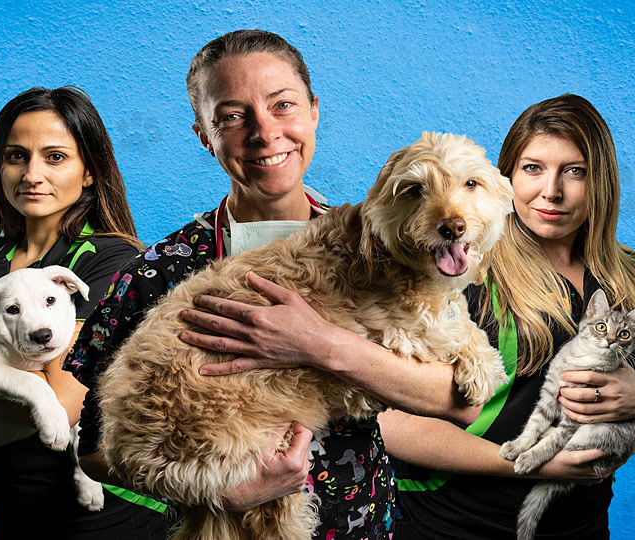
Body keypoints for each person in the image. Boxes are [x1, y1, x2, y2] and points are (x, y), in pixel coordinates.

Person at [65, 30, 476, 539]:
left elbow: (463, 399)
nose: (264, 132)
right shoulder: (158, 272)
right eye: (232, 117)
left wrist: (320, 345)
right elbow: (95, 451)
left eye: (283, 105)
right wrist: (219, 489)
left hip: (364, 526)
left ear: (313, 111)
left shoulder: (389, 246)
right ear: (204, 134)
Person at [379, 94, 635, 539]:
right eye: (533, 168)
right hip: (450, 526)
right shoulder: (461, 267)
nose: (551, 191)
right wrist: (529, 463)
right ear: (505, 176)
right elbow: (390, 422)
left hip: (581, 527)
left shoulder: (629, 272)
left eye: (575, 171)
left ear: (601, 181)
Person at [0, 86, 164, 539]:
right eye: (16, 156)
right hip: (10, 500)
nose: (32, 174)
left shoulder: (108, 260)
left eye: (55, 157)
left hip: (102, 513)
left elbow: (62, 405)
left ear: (89, 172)